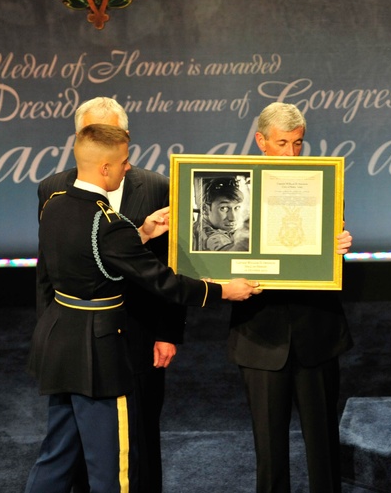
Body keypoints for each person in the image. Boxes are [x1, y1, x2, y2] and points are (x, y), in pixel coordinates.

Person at [25, 124, 260, 493]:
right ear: (104, 168)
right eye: (122, 161)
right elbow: (162, 280)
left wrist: (143, 233)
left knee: (56, 456)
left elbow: (88, 252)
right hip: (98, 354)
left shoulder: (54, 204)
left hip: (58, 343)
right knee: (112, 469)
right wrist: (221, 291)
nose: (128, 168)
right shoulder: (108, 223)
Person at [37, 96, 185, 493]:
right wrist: (222, 289)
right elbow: (48, 269)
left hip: (137, 335)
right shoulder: (52, 190)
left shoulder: (155, 187)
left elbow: (167, 263)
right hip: (92, 344)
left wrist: (167, 331)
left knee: (136, 440)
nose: (127, 165)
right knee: (107, 461)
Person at [228, 101, 354, 493]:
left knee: (323, 447)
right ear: (260, 140)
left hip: (316, 331)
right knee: (269, 450)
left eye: (298, 143)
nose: (290, 153)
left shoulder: (321, 182)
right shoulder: (236, 187)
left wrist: (339, 244)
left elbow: (325, 250)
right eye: (282, 143)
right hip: (260, 335)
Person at [194, 175, 250, 252]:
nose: (232, 218)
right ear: (205, 209)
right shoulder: (211, 235)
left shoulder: (198, 225)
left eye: (236, 208)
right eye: (223, 208)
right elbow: (229, 252)